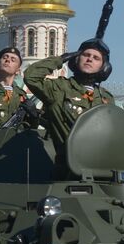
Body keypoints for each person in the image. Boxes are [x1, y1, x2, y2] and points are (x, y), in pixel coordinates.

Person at [24, 38, 115, 174]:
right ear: (76, 59)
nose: (89, 59)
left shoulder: (106, 98)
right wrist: (60, 60)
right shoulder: (59, 88)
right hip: (69, 166)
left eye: (96, 58)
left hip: (101, 167)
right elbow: (31, 77)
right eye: (85, 55)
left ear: (104, 67)